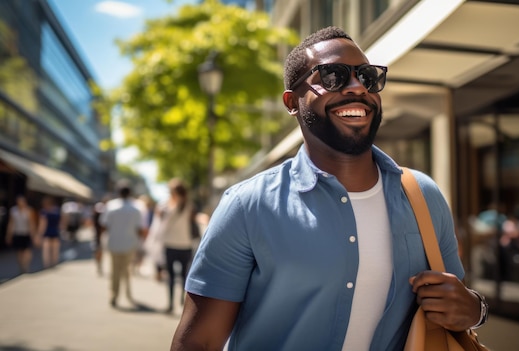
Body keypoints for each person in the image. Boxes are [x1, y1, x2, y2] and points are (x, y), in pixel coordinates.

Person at [171, 26, 486, 351]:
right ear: (292, 102)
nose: (357, 88)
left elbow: (454, 305)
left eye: (366, 76)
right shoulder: (247, 206)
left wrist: (477, 309)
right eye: (333, 76)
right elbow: (199, 342)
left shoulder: (422, 195)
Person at [153, 178, 197, 313]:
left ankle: (171, 304)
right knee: (184, 275)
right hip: (185, 244)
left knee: (172, 276)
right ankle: (181, 302)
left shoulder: (167, 205)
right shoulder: (190, 205)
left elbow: (160, 221)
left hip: (171, 244)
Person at [99, 179, 144, 308]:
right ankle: (128, 294)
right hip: (129, 243)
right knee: (127, 271)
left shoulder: (111, 206)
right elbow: (139, 229)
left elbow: (104, 225)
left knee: (115, 271)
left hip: (114, 242)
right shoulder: (136, 208)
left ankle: (114, 295)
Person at [5, 195, 37, 273]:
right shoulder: (14, 211)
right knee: (19, 251)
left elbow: (31, 223)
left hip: (26, 233)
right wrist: (9, 235)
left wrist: (33, 235)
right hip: (18, 233)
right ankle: (21, 266)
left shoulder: (29, 210)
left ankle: (26, 265)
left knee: (27, 250)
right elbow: (11, 223)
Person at [38, 196, 63, 268]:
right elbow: (61, 222)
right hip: (55, 231)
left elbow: (43, 224)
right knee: (55, 249)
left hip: (47, 232)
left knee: (46, 250)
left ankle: (47, 264)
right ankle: (54, 263)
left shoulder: (44, 212)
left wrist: (39, 234)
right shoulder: (57, 211)